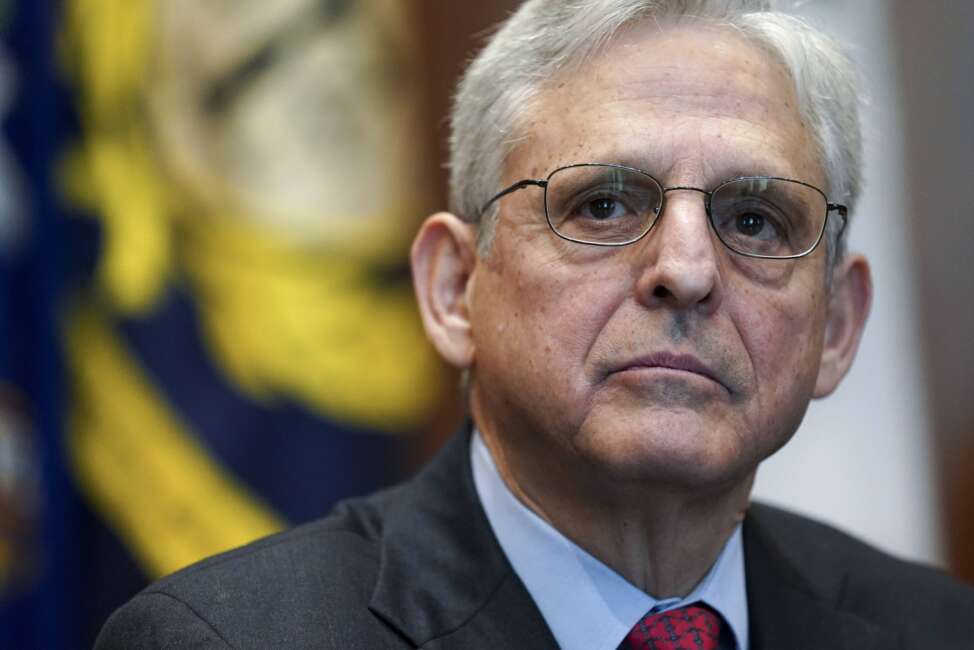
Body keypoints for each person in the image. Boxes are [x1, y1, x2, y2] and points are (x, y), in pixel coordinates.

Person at [95, 1, 974, 648]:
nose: (688, 270)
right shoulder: (230, 641)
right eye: (602, 204)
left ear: (836, 327)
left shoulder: (932, 629)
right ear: (452, 289)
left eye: (753, 221)